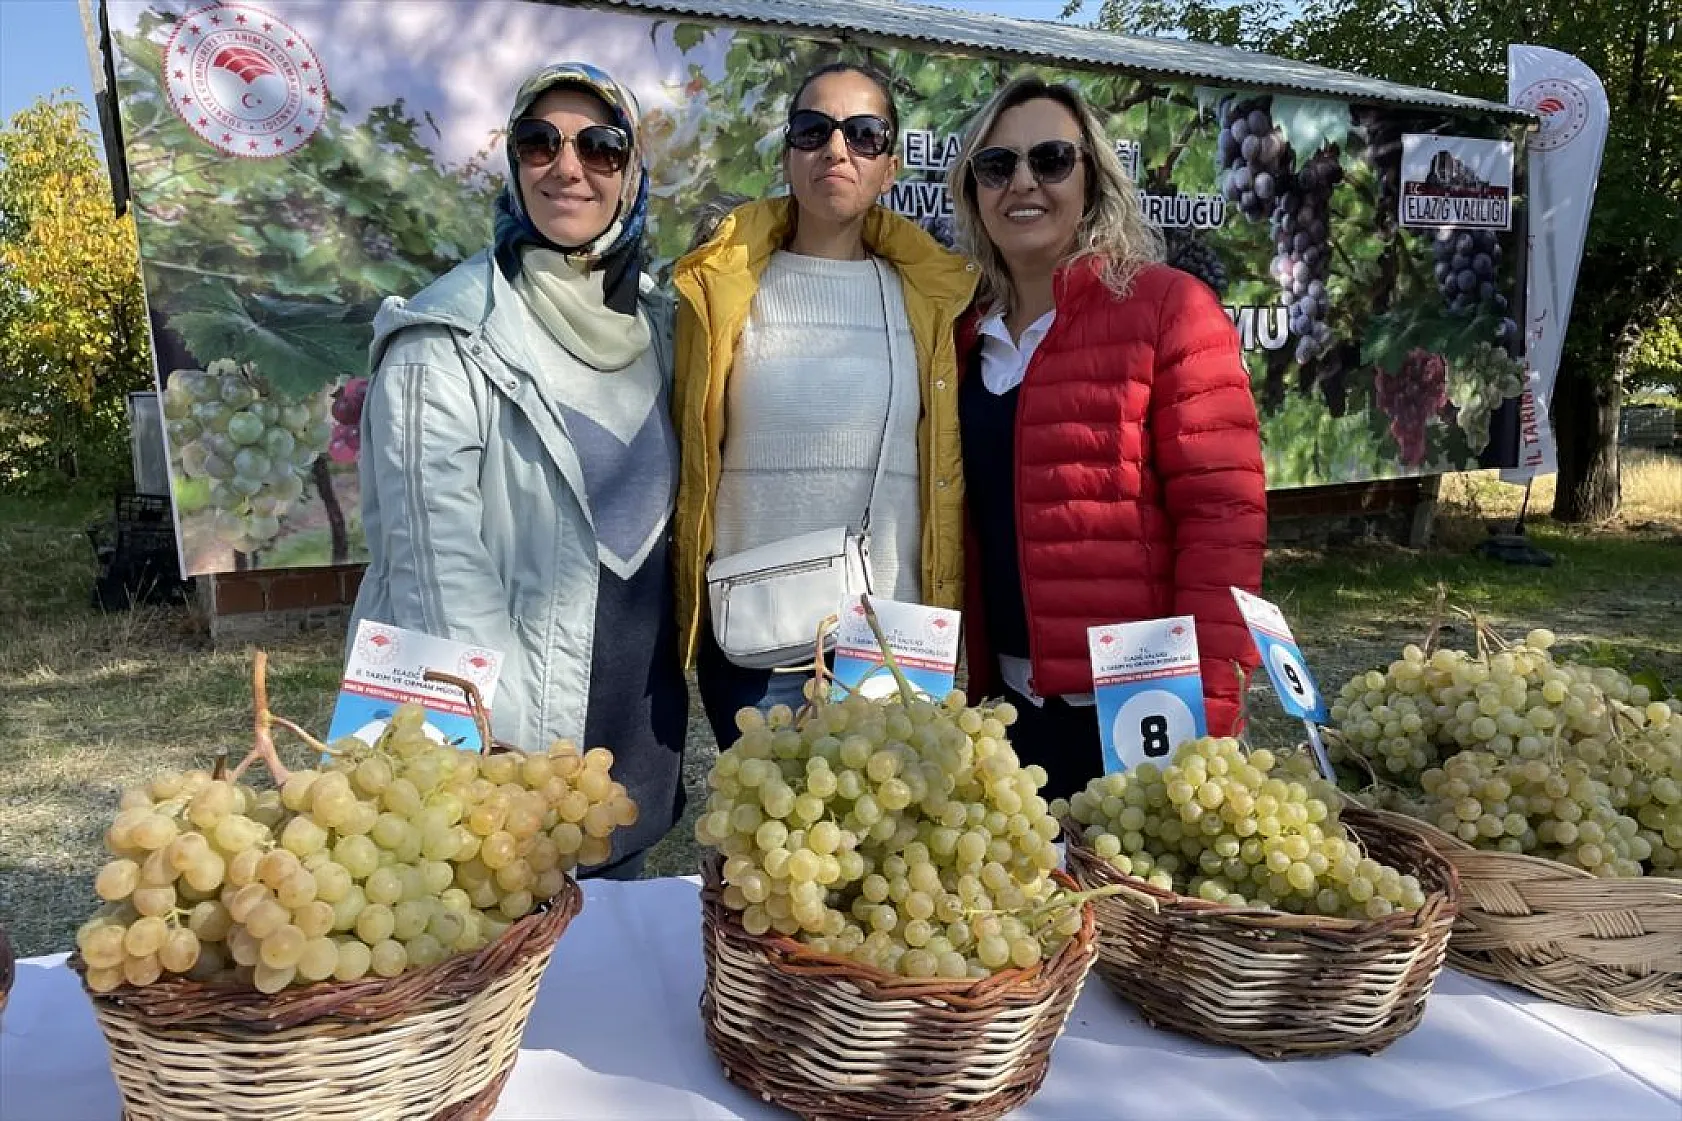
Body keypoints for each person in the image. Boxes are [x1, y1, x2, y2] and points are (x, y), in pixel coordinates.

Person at [350, 62, 686, 879]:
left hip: (626, 755)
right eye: (539, 143)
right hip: (506, 776)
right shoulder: (445, 339)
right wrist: (505, 776)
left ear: (632, 172)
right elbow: (440, 584)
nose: (567, 167)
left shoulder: (661, 330)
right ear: (512, 164)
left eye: (601, 147)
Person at [946, 75, 1267, 802]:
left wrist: (1209, 707)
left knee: (1131, 912)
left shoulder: (1167, 308)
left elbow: (1223, 517)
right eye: (997, 166)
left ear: (1091, 177)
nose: (1023, 182)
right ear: (973, 193)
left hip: (1136, 711)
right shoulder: (964, 338)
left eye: (1051, 159)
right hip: (1004, 715)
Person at [673, 62, 979, 749]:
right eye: (814, 131)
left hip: (892, 646)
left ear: (891, 166)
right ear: (788, 154)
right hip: (761, 639)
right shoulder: (722, 290)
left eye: (863, 134)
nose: (835, 150)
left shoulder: (932, 298)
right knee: (778, 845)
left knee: (894, 851)